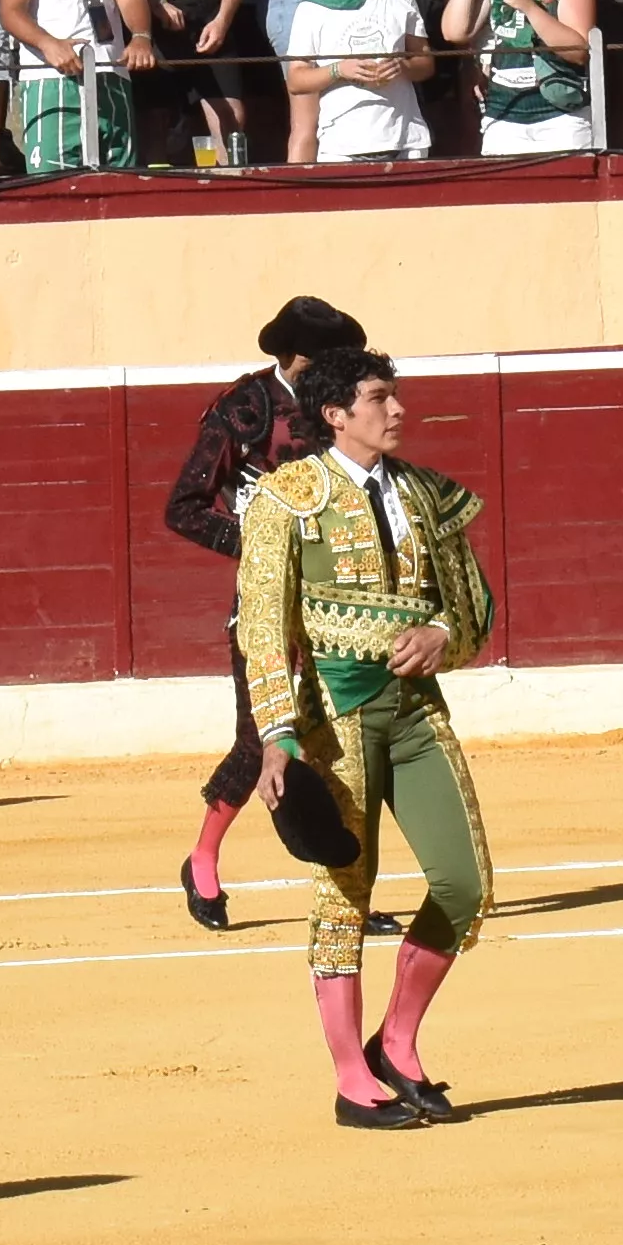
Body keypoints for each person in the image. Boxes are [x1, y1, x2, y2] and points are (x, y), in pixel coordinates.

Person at [236, 344, 501, 1128]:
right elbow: (262, 623)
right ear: (335, 413)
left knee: (465, 884)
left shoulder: (424, 494)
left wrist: (440, 633)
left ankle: (398, 1043)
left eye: (395, 396)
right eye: (381, 397)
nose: (398, 410)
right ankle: (353, 1077)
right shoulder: (289, 497)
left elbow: (473, 608)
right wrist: (277, 734)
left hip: (417, 712)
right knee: (345, 892)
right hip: (335, 716)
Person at [160, 295, 362, 927]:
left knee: (341, 739)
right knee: (259, 738)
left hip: (336, 594)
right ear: (295, 356)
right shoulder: (243, 409)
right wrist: (259, 543)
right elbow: (184, 506)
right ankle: (202, 860)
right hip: (268, 596)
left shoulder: (336, 403)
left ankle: (349, 887)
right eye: (325, 360)